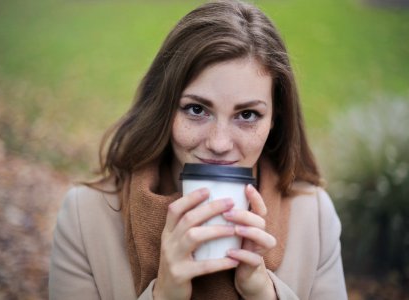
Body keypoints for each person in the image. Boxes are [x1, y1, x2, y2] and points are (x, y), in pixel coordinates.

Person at [48, 0, 348, 299]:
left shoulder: (313, 216)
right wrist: (163, 295)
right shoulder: (86, 215)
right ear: (164, 107)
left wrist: (264, 293)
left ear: (274, 119)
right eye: (196, 109)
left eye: (247, 115)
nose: (219, 143)